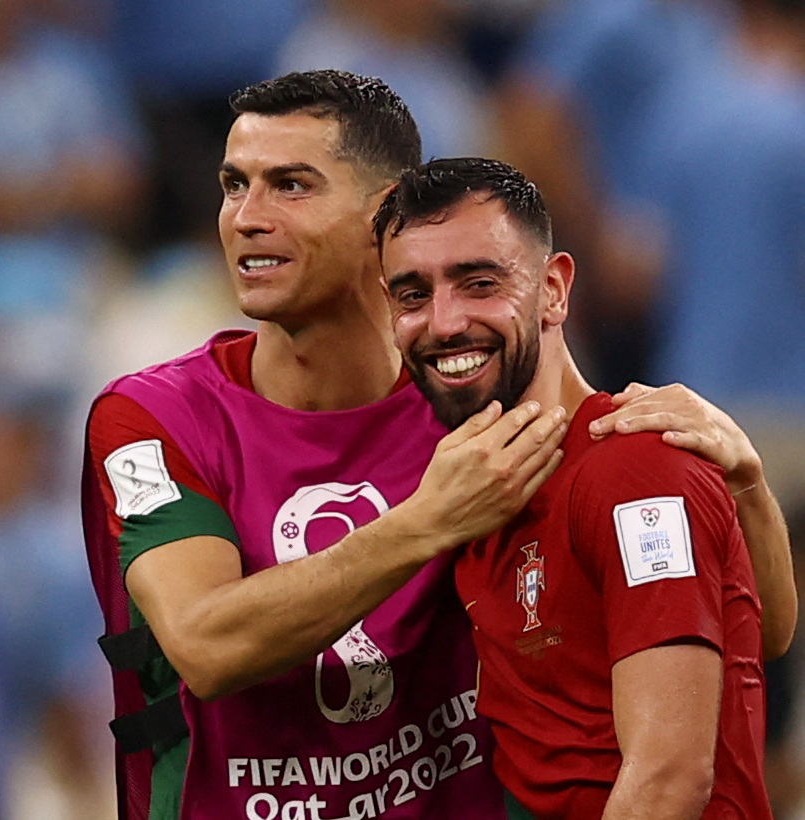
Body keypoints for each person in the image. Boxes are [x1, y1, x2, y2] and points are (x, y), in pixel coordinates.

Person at [82, 70, 795, 820]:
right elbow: (204, 645)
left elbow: (753, 630)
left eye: (291, 185)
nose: (245, 217)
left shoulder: (483, 411)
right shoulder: (153, 416)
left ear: (384, 217)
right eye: (235, 185)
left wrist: (743, 488)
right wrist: (428, 521)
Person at [375, 156, 794, 817]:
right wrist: (748, 484)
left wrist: (745, 482)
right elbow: (759, 628)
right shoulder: (471, 481)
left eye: (479, 282)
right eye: (412, 294)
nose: (445, 321)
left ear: (553, 289)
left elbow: (668, 778)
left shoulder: (632, 473)